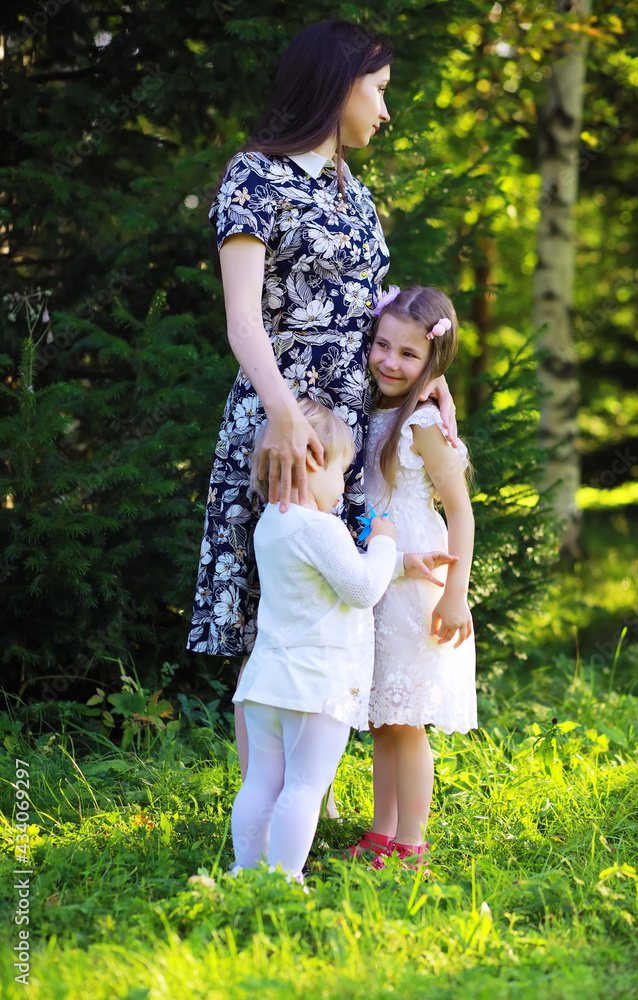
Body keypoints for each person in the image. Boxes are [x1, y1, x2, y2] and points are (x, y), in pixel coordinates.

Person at [186, 20, 458, 786]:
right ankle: (266, 805)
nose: (386, 110)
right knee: (271, 616)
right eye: (379, 90)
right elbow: (242, 320)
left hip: (347, 426)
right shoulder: (254, 176)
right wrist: (280, 415)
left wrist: (427, 375)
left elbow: (376, 311)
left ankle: (311, 802)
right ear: (340, 85)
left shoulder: (355, 194)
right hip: (283, 417)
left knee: (336, 603)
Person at [230, 398, 399, 880]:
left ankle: (246, 871)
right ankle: (284, 880)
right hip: (314, 685)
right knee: (304, 786)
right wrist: (384, 542)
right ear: (309, 464)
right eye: (340, 472)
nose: (343, 486)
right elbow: (362, 589)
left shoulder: (272, 522)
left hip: (267, 682)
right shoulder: (321, 527)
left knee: (261, 782)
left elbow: (324, 583)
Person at [351, 285, 477, 869]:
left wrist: (456, 596)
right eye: (383, 345)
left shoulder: (422, 423)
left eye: (408, 354)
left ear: (432, 362)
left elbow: (461, 511)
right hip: (382, 577)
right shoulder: (368, 410)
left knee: (406, 721)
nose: (389, 362)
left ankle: (412, 841)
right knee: (383, 719)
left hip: (419, 586)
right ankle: (383, 831)